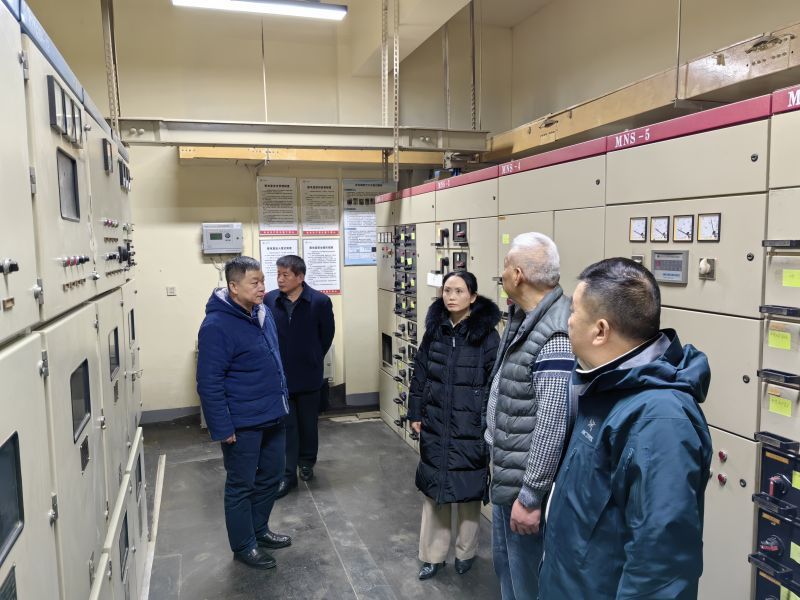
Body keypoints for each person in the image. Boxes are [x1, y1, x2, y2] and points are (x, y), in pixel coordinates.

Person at [539, 258, 712, 599]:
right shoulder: (606, 387)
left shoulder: (659, 422)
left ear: (601, 330)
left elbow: (660, 571)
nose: (567, 321)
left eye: (573, 312)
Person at [485, 232, 574, 600]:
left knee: (527, 583)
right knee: (506, 569)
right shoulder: (525, 316)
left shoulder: (555, 334)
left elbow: (552, 423)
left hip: (524, 484)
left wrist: (531, 495)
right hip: (509, 471)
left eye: (506, 266)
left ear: (518, 274)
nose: (502, 273)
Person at [196, 256, 292, 570]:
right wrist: (223, 428)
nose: (263, 287)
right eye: (255, 282)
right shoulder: (216, 325)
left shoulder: (262, 313)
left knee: (272, 476)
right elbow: (209, 382)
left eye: (263, 280)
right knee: (241, 485)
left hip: (272, 414)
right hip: (243, 422)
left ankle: (259, 529)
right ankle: (243, 545)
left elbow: (275, 360)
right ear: (234, 287)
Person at [407, 271, 501, 580]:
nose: (451, 296)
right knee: (434, 489)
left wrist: (486, 422)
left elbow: (494, 383)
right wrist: (415, 412)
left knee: (469, 490)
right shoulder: (435, 330)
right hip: (435, 420)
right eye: (447, 290)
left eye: (459, 291)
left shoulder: (487, 336)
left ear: (472, 297)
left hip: (470, 424)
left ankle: (466, 552)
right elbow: (421, 373)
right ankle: (432, 556)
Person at [265, 255, 335, 498]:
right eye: (278, 274)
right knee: (287, 427)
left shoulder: (319, 302)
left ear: (300, 277)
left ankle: (307, 462)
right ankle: (287, 474)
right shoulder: (270, 300)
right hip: (281, 377)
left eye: (285, 275)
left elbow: (326, 336)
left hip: (309, 375)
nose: (280, 279)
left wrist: (313, 357)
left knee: (308, 424)